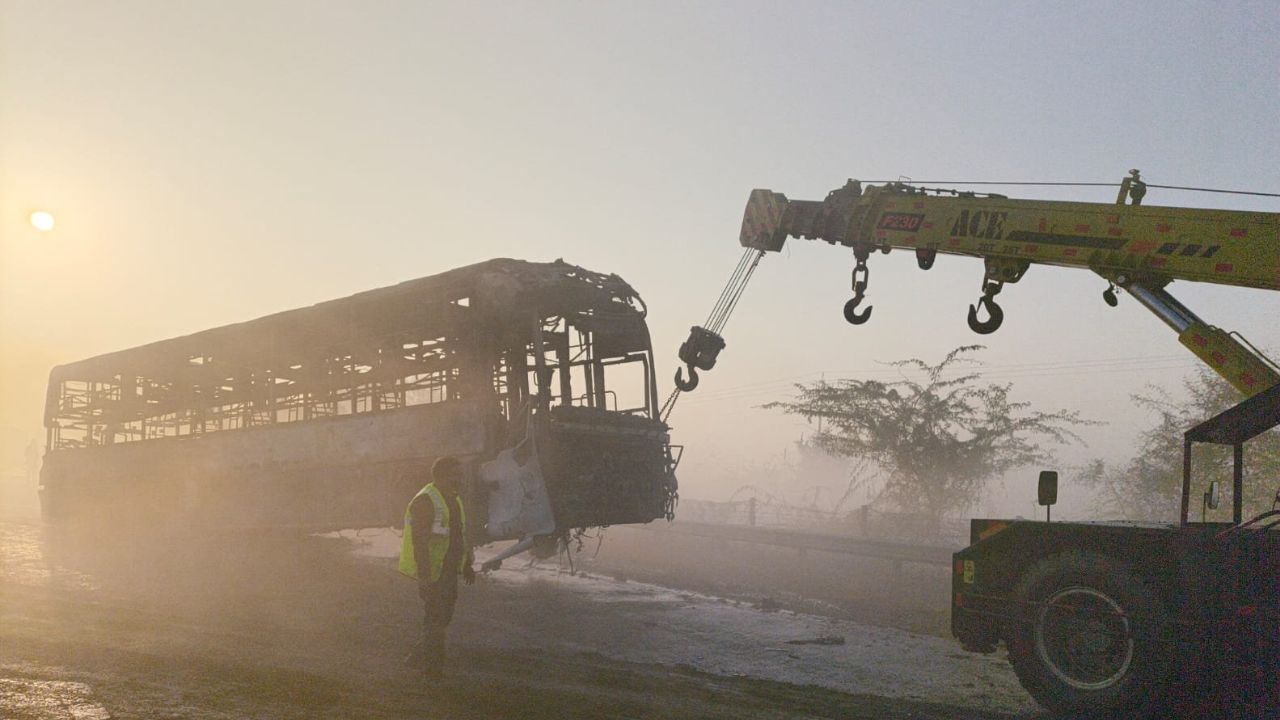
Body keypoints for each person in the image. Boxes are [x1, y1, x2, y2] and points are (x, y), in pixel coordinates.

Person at [399, 456, 475, 679]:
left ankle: (418, 657)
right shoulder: (425, 501)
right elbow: (419, 542)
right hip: (434, 572)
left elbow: (457, 535)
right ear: (442, 475)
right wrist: (424, 578)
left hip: (449, 570)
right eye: (456, 474)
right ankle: (432, 669)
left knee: (444, 616)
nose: (460, 479)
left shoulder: (453, 499)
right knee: (435, 619)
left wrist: (467, 565)